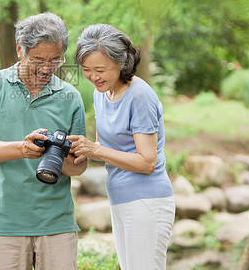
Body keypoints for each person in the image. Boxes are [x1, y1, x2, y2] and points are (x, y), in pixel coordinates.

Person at [0, 12, 87, 270]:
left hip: (56, 224)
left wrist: (55, 154)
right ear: (20, 50)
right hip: (3, 223)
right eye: (38, 60)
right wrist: (22, 148)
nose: (46, 68)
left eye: (55, 60)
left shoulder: (71, 97)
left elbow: (78, 167)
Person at [68, 24, 175, 270]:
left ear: (121, 63)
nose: (93, 77)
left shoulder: (139, 95)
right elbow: (108, 148)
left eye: (100, 69)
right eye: (86, 70)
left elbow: (147, 162)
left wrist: (95, 151)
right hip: (119, 197)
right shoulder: (102, 93)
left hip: (147, 200)